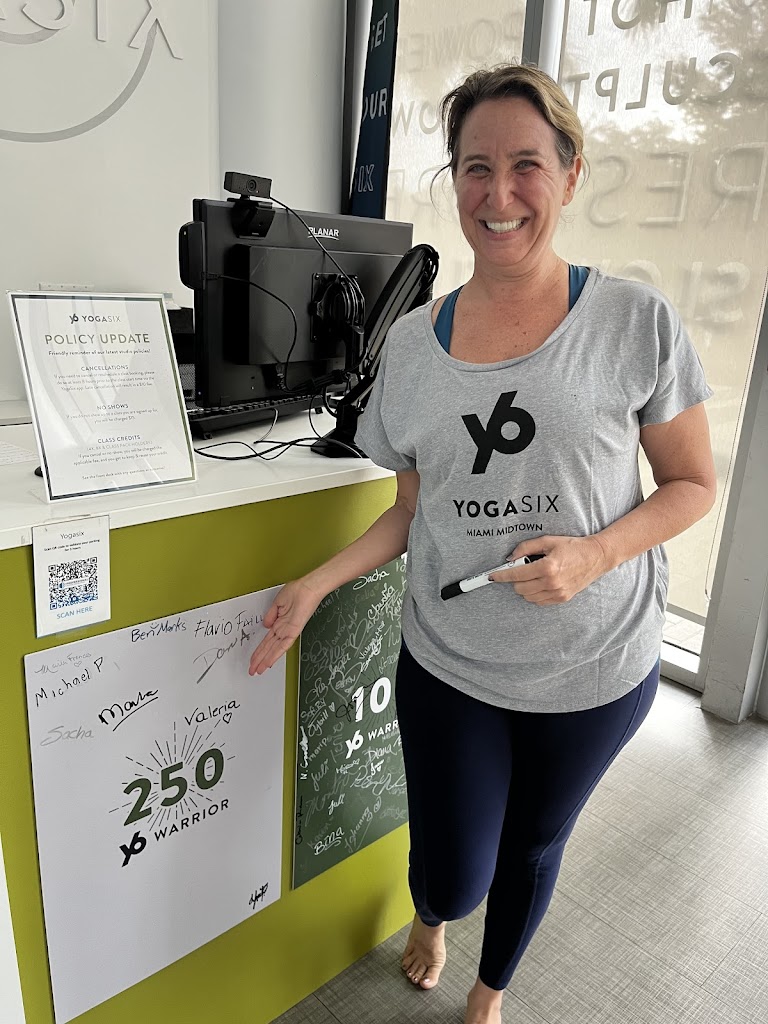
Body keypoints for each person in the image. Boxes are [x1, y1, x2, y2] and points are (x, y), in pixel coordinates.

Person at [249, 62, 716, 1024]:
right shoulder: (411, 349)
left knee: (534, 847)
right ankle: (433, 915)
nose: (499, 196)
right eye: (476, 168)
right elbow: (410, 511)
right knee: (454, 867)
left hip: (594, 666)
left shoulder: (635, 322)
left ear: (571, 173)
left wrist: (596, 554)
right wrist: (317, 583)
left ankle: (489, 992)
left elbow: (692, 485)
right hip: (451, 661)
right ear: (454, 181)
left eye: (526, 165)